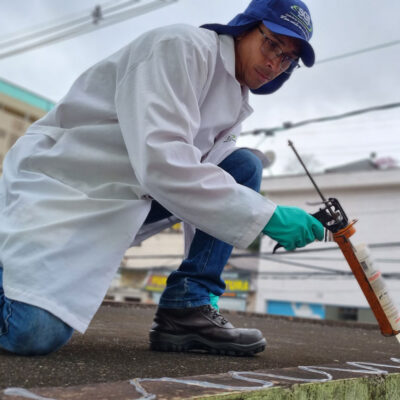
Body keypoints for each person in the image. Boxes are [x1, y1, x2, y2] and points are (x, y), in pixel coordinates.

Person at [0, 0, 323, 357]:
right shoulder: (181, 48)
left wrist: (257, 211)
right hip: (62, 186)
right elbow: (162, 161)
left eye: (287, 60)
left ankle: (188, 305)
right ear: (245, 28)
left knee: (243, 165)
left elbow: (205, 179)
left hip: (124, 196)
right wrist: (267, 216)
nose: (275, 64)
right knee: (32, 332)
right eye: (272, 45)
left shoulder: (234, 98)